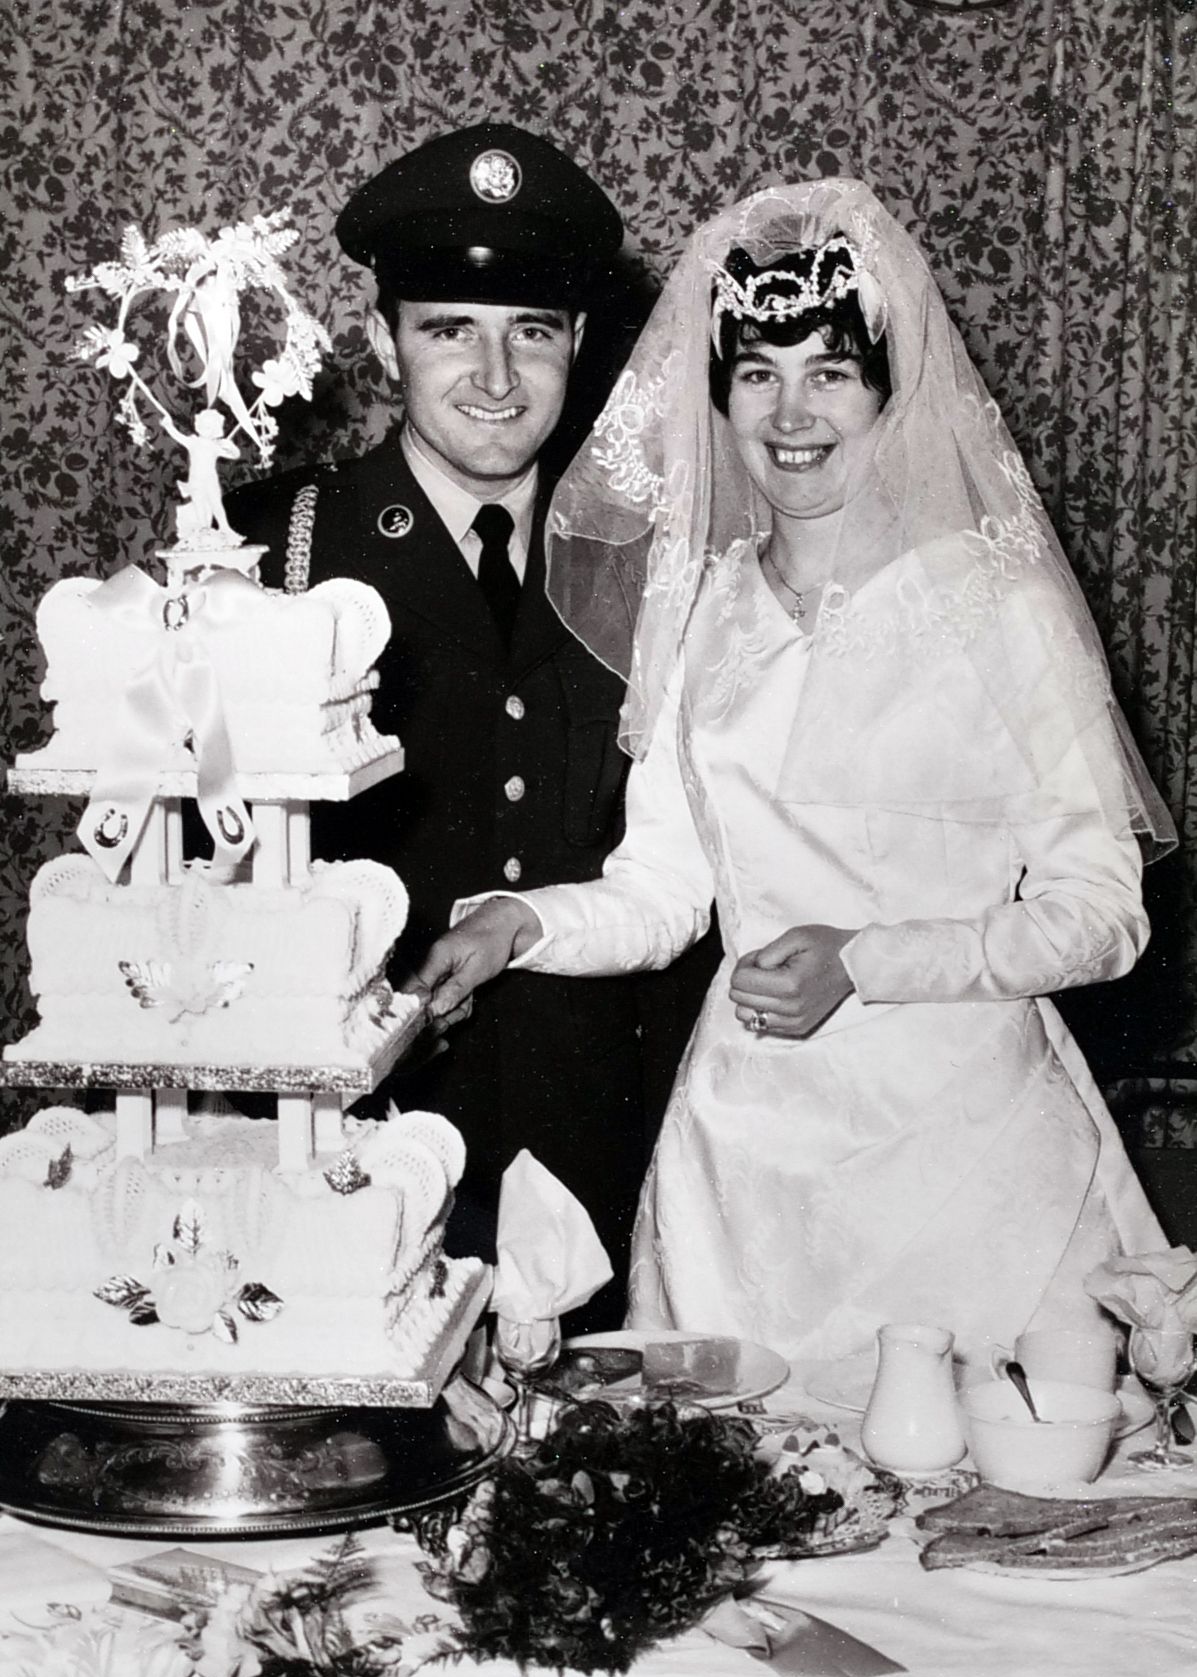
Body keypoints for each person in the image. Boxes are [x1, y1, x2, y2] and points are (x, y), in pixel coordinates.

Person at [414, 178, 1178, 1384]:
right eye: (758, 374)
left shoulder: (1001, 613)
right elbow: (666, 892)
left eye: (831, 371)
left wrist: (865, 961)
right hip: (748, 1172)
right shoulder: (701, 613)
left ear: (890, 392)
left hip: (971, 1163)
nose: (792, 412)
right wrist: (520, 923)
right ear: (717, 398)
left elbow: (1103, 914)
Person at [225, 125, 710, 1332]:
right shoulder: (271, 549)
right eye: (452, 330)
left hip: (606, 1140)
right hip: (353, 1142)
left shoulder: (657, 556)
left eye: (530, 333)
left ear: (578, 340)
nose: (496, 378)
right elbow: (200, 873)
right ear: (384, 336)